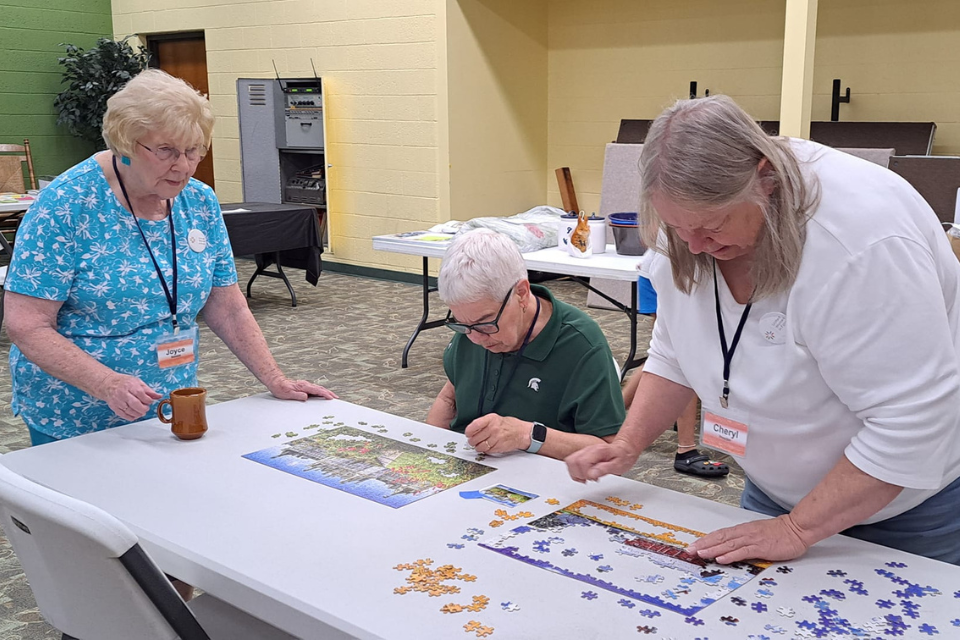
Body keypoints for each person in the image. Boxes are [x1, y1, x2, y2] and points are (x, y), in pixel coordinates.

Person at [567, 95, 960, 566]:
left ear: (766, 181)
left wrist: (797, 529)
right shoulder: (691, 225)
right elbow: (675, 353)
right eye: (677, 227)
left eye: (711, 226)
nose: (694, 246)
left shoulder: (862, 245)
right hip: (775, 497)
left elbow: (912, 421)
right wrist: (629, 443)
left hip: (903, 509)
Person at [5, 69, 337, 448]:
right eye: (166, 151)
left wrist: (274, 378)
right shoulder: (66, 205)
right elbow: (27, 326)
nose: (184, 165)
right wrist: (106, 383)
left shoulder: (198, 200)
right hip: (75, 414)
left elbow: (225, 304)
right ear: (125, 143)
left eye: (194, 150)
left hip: (170, 404)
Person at [426, 229, 625, 460]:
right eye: (461, 324)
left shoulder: (581, 344)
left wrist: (528, 435)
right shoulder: (472, 326)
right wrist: (430, 456)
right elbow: (448, 398)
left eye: (485, 323)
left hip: (545, 480)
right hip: (471, 467)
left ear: (521, 293)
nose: (474, 339)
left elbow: (609, 450)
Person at [621, 259, 729, 478]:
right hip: (674, 272)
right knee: (681, 355)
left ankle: (610, 416)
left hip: (688, 271)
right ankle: (686, 448)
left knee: (667, 354)